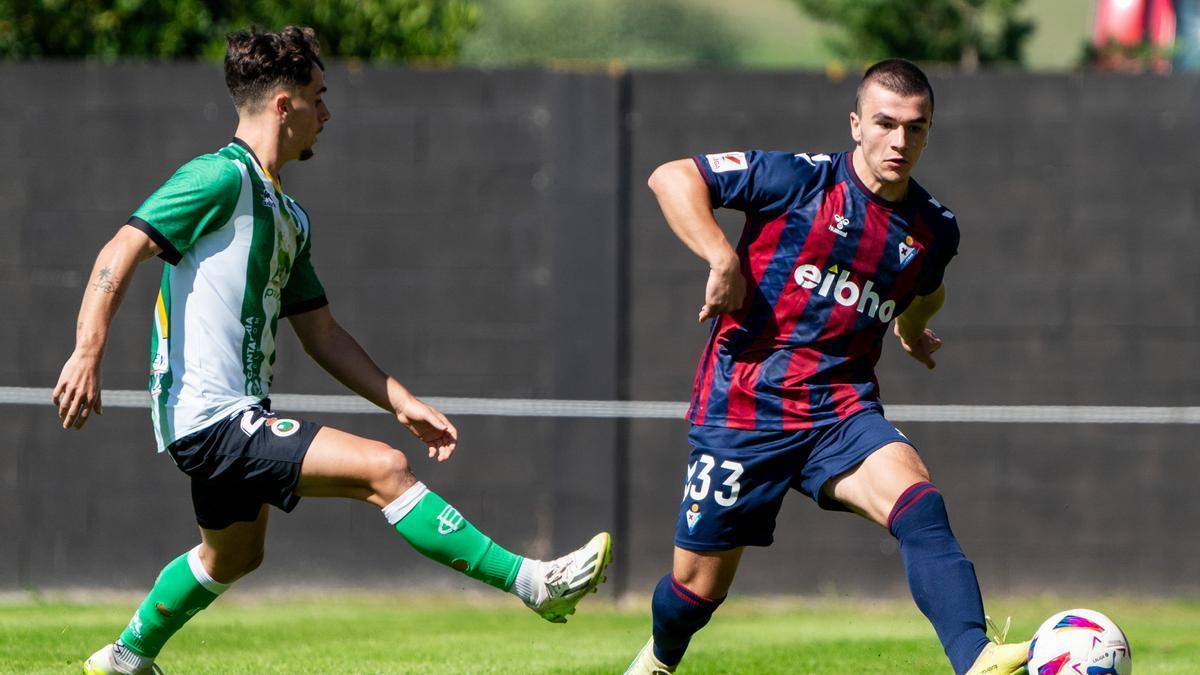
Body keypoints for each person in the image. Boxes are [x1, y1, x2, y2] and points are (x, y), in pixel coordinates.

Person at [53, 26, 612, 675]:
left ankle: (126, 654)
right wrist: (85, 351)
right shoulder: (217, 177)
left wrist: (399, 398)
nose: (328, 113)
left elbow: (321, 332)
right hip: (212, 415)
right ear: (283, 105)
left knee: (233, 556)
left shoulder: (288, 216)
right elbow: (120, 251)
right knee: (384, 469)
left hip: (227, 417)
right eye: (317, 98)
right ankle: (534, 583)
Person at [623, 59, 1027, 675]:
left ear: (928, 132)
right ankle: (658, 660)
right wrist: (721, 258)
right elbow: (670, 177)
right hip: (745, 405)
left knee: (919, 504)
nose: (900, 141)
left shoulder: (933, 229)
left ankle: (976, 657)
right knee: (697, 591)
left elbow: (928, 288)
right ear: (856, 125)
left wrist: (913, 327)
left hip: (841, 408)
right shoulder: (795, 180)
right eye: (885, 124)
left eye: (915, 128)